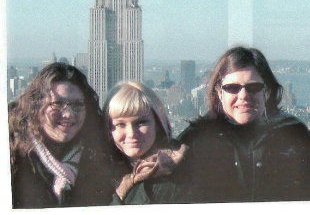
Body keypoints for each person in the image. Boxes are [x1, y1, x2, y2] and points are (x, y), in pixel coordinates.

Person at [176, 46, 310, 203]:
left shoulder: (292, 134)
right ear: (219, 92)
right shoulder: (196, 139)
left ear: (266, 91)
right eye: (232, 88)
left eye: (253, 87)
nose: (243, 96)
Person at [9, 62, 114, 208]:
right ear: (36, 105)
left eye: (77, 105)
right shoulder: (12, 156)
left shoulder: (99, 157)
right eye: (57, 103)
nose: (68, 114)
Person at [103, 81, 187, 205]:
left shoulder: (175, 176)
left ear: (157, 124)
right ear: (109, 129)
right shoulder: (98, 174)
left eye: (140, 123)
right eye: (120, 124)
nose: (131, 133)